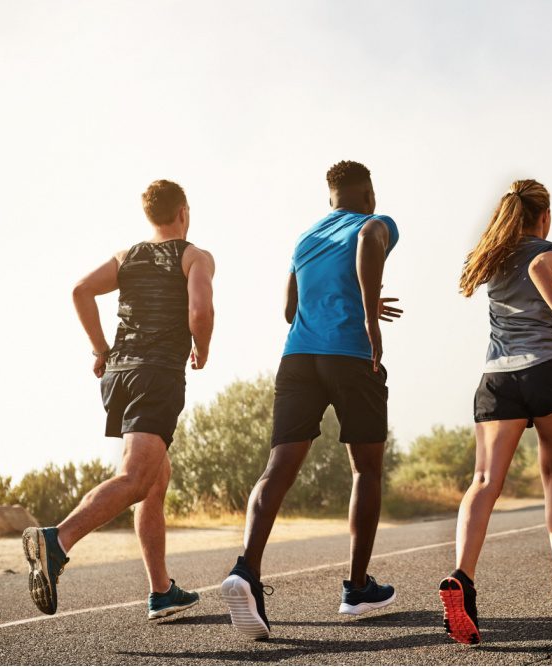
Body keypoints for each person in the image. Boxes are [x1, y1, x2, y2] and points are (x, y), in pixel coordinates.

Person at [221, 160, 403, 640]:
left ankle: (245, 570)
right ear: (369, 194)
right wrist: (368, 314)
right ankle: (358, 587)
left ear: (329, 198)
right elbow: (368, 243)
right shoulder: (375, 223)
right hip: (349, 355)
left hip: (299, 357)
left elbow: (289, 310)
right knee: (365, 468)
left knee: (277, 467)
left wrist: (342, 298)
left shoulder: (306, 238)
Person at [23, 179, 215, 619]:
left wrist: (102, 349)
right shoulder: (194, 257)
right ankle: (57, 542)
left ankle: (161, 590)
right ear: (183, 212)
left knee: (154, 478)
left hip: (119, 375)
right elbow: (200, 311)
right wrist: (201, 349)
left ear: (150, 216)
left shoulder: (127, 257)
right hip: (156, 374)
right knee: (135, 477)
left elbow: (80, 290)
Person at [439, 179, 552, 645]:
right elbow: (541, 269)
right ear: (543, 217)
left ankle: (462, 578)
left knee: (484, 482)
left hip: (498, 379)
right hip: (547, 369)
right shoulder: (551, 249)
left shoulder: (490, 255)